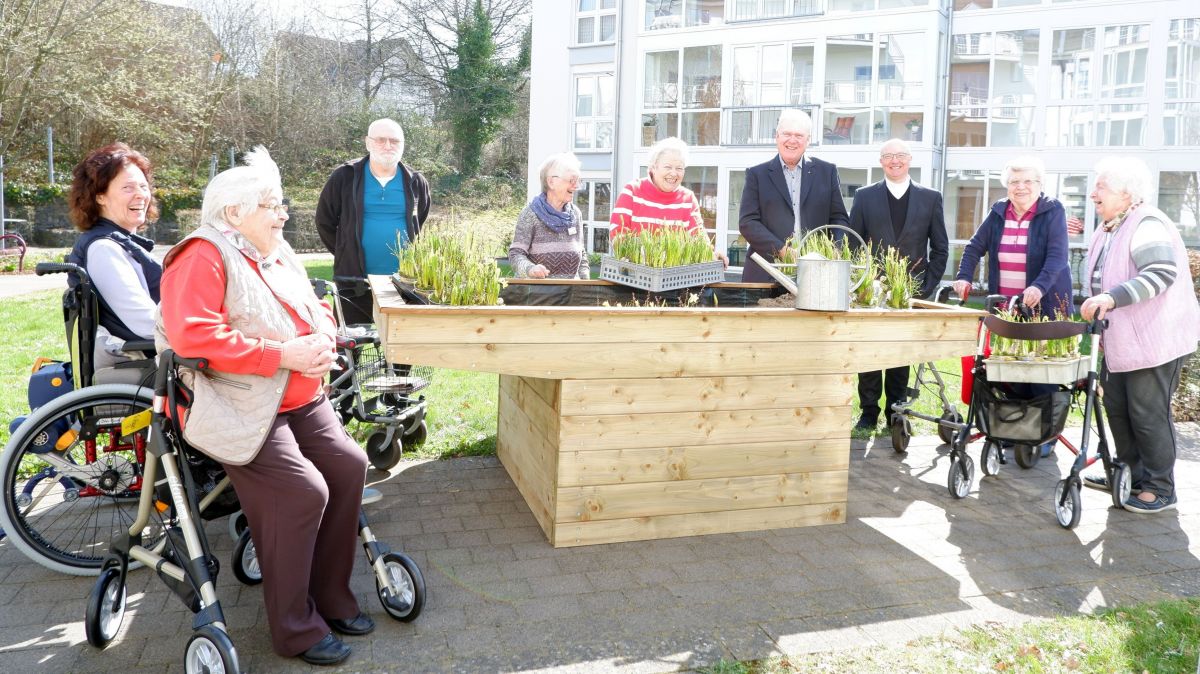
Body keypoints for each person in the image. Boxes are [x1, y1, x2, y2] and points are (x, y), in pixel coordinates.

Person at [158, 147, 371, 666]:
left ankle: (330, 596)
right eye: (272, 205)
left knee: (349, 466)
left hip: (299, 397)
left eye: (281, 205)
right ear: (234, 212)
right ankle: (294, 629)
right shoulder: (202, 254)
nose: (283, 215)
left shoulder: (276, 249)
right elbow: (194, 336)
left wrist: (323, 339)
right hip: (236, 404)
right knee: (301, 492)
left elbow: (315, 304)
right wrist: (282, 355)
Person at [1079, 157, 1200, 514]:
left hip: (1154, 340)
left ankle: (1161, 488)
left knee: (1147, 415)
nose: (1093, 194)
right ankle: (1129, 475)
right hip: (1121, 341)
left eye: (1101, 187)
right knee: (1117, 408)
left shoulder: (1146, 223)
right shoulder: (1109, 227)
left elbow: (1160, 271)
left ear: (1126, 193)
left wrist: (1110, 298)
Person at [848, 138, 949, 432]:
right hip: (871, 291)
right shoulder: (865, 197)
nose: (895, 160)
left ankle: (896, 409)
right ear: (881, 161)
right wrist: (862, 284)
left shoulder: (931, 198)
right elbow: (853, 244)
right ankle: (868, 411)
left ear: (910, 159)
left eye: (901, 155)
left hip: (911, 293)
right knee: (869, 351)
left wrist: (924, 288)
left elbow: (940, 248)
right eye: (889, 156)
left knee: (900, 352)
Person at [316, 117, 431, 325]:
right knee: (350, 341)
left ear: (403, 145)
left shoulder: (416, 181)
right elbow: (325, 221)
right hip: (355, 282)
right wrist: (346, 251)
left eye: (394, 141)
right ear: (368, 142)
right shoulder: (345, 176)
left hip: (404, 284)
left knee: (401, 342)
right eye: (380, 140)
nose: (388, 146)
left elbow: (419, 221)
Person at [66, 143, 162, 379]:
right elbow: (145, 323)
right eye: (128, 188)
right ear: (100, 196)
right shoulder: (104, 249)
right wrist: (200, 331)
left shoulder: (120, 244)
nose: (141, 194)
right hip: (139, 363)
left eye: (143, 186)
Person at [951, 155, 1073, 317]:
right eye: (1014, 182)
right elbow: (974, 247)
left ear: (1040, 184)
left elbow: (1057, 257)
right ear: (1007, 186)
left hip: (1044, 304)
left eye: (1028, 181)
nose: (1021, 187)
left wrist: (1039, 287)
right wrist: (964, 277)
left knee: (1040, 334)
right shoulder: (999, 211)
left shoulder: (1053, 209)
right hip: (1005, 306)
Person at [739, 108, 850, 284]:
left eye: (799, 135)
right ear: (777, 137)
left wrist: (835, 249)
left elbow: (839, 219)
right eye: (787, 134)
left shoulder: (827, 172)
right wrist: (781, 250)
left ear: (808, 140)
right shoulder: (756, 174)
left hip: (816, 274)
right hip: (766, 273)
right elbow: (748, 222)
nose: (792, 140)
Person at [609, 136, 728, 265]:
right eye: (668, 167)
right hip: (635, 273)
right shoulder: (633, 191)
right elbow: (617, 233)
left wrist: (711, 255)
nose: (673, 173)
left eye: (679, 168)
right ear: (653, 167)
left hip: (675, 275)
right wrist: (642, 258)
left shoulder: (688, 198)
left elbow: (699, 237)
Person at [508, 152, 589, 279]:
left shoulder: (575, 214)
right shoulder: (530, 214)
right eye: (572, 180)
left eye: (578, 180)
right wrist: (530, 269)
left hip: (570, 291)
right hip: (536, 291)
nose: (576, 186)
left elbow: (581, 254)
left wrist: (586, 283)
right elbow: (516, 254)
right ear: (551, 182)